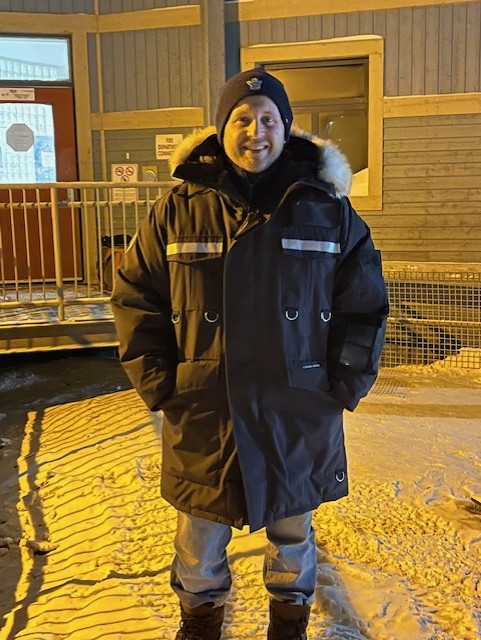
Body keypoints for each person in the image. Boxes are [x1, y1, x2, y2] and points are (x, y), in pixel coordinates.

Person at [111, 67, 389, 640]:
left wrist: (343, 382)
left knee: (292, 534)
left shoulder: (327, 210)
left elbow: (363, 305)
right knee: (199, 538)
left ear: (286, 128)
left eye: (268, 119)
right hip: (204, 408)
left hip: (297, 406)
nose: (255, 132)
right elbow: (136, 296)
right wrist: (161, 384)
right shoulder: (177, 209)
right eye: (242, 118)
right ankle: (200, 623)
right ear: (222, 128)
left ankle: (288, 622)